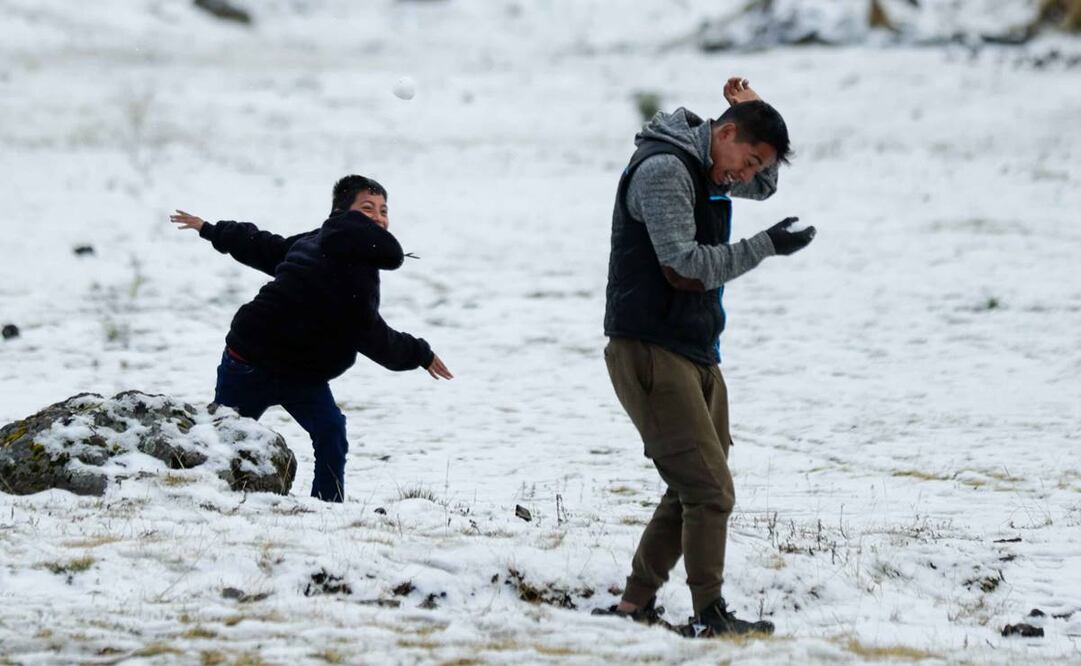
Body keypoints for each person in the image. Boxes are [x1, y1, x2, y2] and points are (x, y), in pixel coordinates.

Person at [595, 78, 815, 636]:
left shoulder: (709, 164)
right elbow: (684, 266)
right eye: (749, 159)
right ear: (725, 134)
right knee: (710, 490)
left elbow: (762, 187)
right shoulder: (666, 170)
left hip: (693, 349)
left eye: (758, 164)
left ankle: (634, 606)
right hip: (651, 349)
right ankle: (709, 614)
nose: (749, 174)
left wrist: (755, 111)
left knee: (690, 486)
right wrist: (765, 246)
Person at [170, 175, 452, 503]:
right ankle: (197, 495)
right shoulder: (341, 261)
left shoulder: (322, 241)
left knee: (330, 431)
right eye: (367, 207)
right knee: (224, 440)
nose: (378, 217)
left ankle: (326, 509)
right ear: (342, 212)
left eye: (384, 210)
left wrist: (212, 229)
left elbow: (267, 248)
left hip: (300, 374)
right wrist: (420, 353)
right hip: (251, 364)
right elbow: (373, 337)